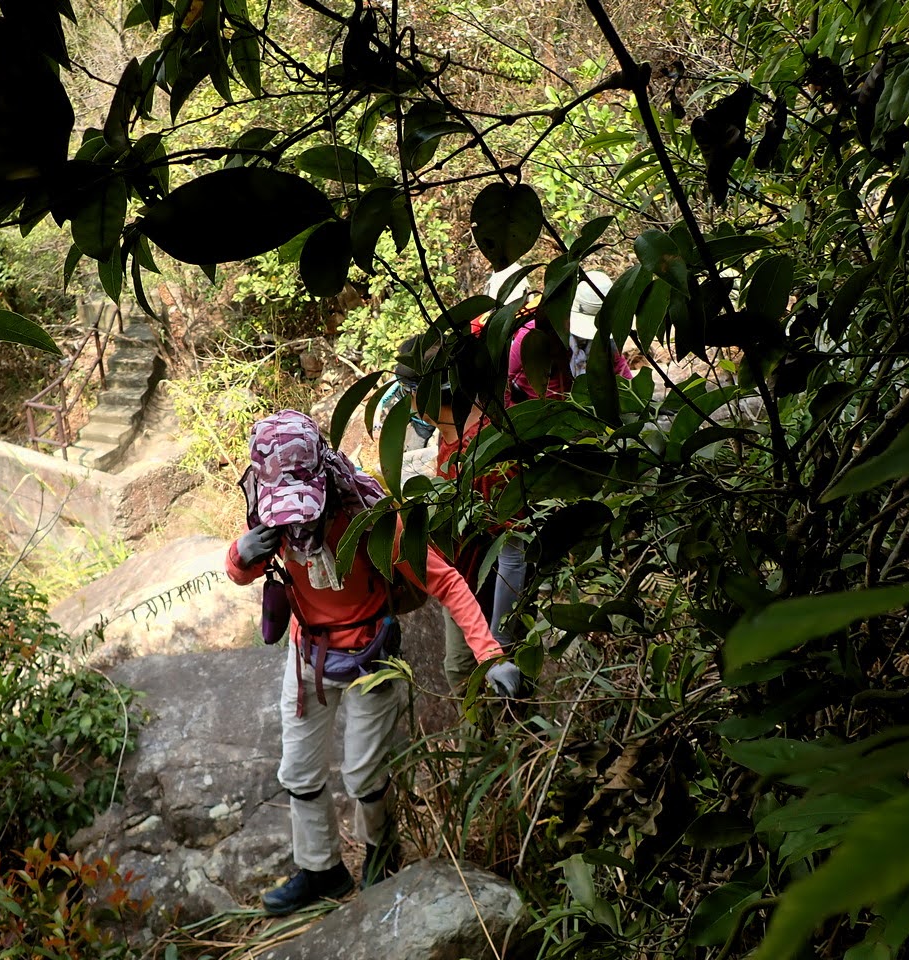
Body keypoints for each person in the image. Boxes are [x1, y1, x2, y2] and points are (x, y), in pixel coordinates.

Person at [226, 410, 522, 915]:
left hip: (371, 654)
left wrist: (490, 655)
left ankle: (381, 854)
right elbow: (242, 574)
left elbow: (446, 581)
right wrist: (240, 553)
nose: (296, 521)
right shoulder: (266, 514)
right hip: (308, 653)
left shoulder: (367, 515)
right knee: (298, 771)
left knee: (365, 775)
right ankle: (321, 868)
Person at [392, 351, 528, 693]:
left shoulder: (486, 452)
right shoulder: (453, 429)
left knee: (474, 681)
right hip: (463, 580)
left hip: (488, 596)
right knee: (459, 673)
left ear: (425, 396)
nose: (409, 405)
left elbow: (514, 553)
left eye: (409, 394)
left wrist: (497, 644)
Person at [507, 269, 633, 404]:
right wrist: (512, 413)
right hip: (534, 409)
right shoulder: (533, 335)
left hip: (577, 410)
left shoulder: (605, 343)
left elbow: (623, 375)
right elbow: (504, 379)